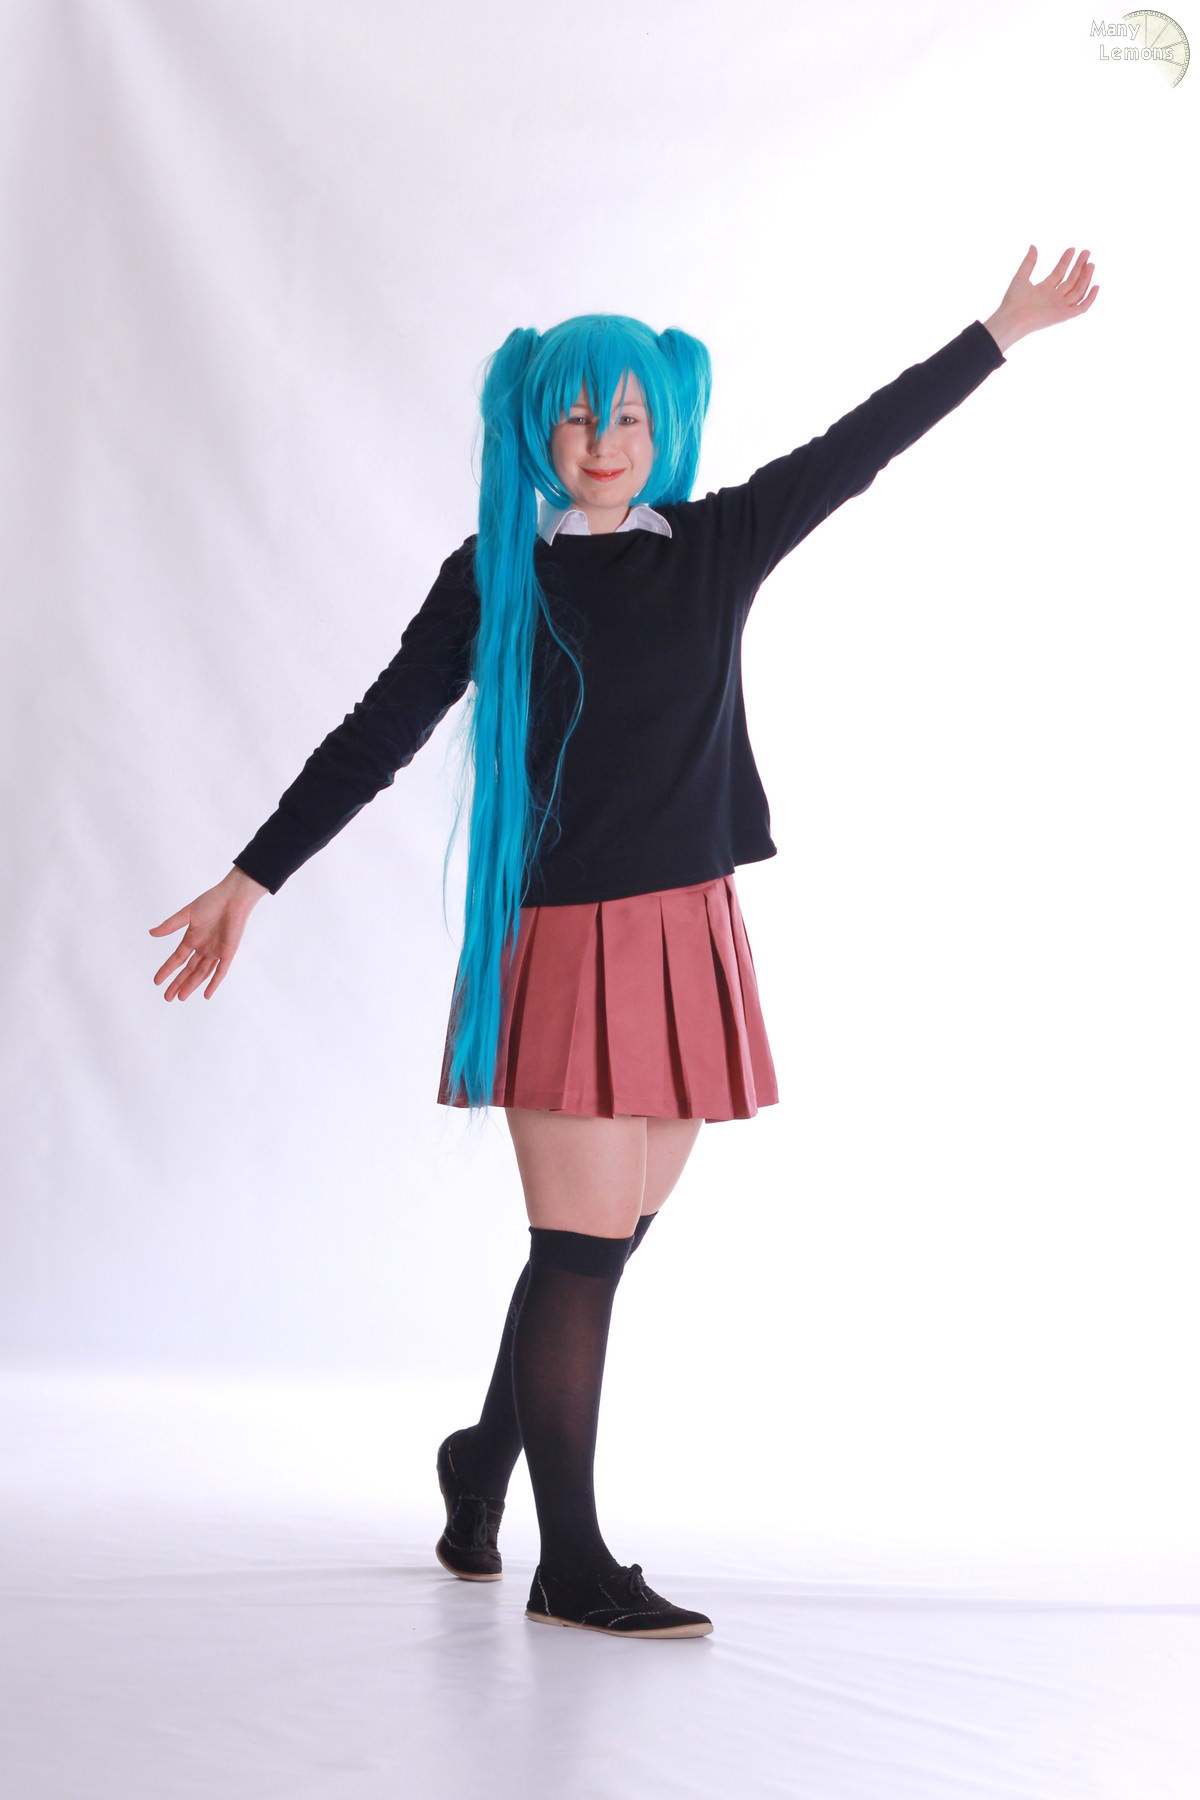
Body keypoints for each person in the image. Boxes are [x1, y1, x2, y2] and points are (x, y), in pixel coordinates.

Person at [149, 245, 1099, 1641]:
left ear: (668, 425)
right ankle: (572, 1563)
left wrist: (998, 333)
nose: (605, 443)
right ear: (539, 431)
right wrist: (253, 877)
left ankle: (481, 1461)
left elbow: (858, 449)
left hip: (688, 934)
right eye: (580, 418)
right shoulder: (495, 578)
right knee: (581, 1252)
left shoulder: (715, 545)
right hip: (564, 948)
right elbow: (377, 735)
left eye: (631, 417)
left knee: (597, 1244)